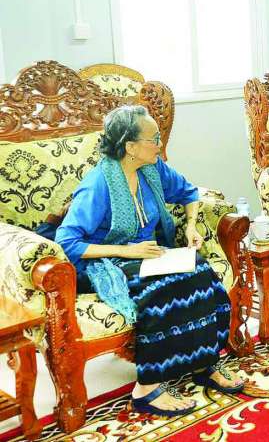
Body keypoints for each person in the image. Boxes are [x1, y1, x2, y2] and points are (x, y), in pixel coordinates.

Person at [55, 105, 243, 417]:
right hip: (108, 261)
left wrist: (191, 226)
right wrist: (126, 251)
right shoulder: (98, 184)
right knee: (162, 290)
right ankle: (146, 388)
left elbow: (189, 192)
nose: (160, 144)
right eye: (153, 139)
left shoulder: (153, 170)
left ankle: (205, 362)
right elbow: (67, 241)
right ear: (130, 147)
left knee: (201, 273)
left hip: (150, 254)